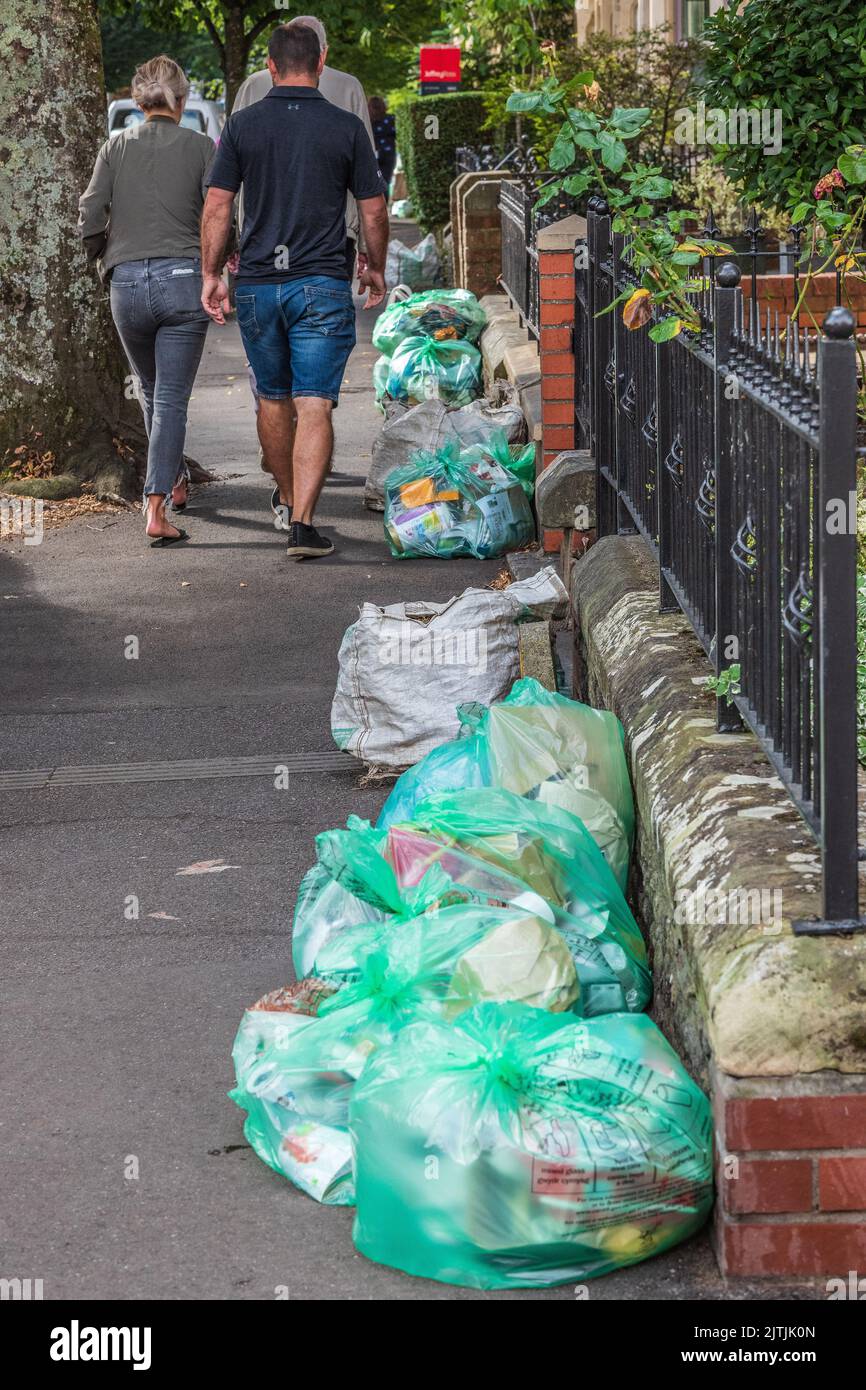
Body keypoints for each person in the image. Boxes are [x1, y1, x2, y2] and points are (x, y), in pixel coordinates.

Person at [200, 23, 388, 561]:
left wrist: (211, 274)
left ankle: (284, 497)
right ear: (322, 63)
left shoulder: (241, 126)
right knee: (315, 402)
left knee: (272, 397)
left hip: (258, 284)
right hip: (323, 282)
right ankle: (304, 524)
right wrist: (373, 267)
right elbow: (373, 209)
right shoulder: (347, 126)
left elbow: (217, 205)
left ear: (270, 65)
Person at [78, 56, 219, 547]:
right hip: (182, 278)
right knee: (171, 398)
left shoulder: (115, 147)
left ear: (138, 102)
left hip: (127, 284)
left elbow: (91, 214)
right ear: (180, 100)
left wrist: (103, 253)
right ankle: (156, 505)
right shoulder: (202, 147)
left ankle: (174, 481)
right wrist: (217, 268)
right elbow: (218, 216)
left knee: (151, 390)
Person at [368, 96, 396, 192]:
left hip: (371, 153)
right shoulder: (391, 119)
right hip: (388, 153)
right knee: (385, 183)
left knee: (373, 183)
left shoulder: (367, 121)